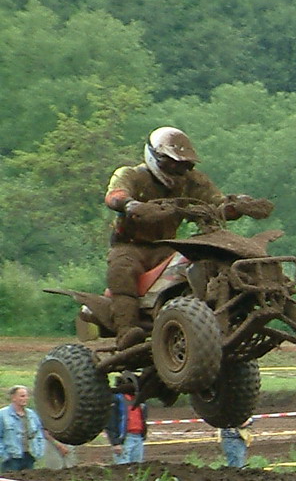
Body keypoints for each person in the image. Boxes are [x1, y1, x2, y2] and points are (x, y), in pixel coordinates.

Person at [102, 127, 254, 348]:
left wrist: (238, 205)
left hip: (168, 246)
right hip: (130, 245)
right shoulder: (131, 175)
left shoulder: (193, 181)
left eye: (184, 165)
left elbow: (217, 204)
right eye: (172, 163)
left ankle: (203, 314)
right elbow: (114, 194)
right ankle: (126, 330)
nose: (178, 169)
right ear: (155, 157)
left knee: (203, 265)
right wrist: (130, 204)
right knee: (122, 272)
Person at [1, 386, 50, 472]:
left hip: (29, 457)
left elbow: (39, 433)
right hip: (12, 458)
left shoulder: (31, 414)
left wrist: (39, 451)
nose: (26, 398)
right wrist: (4, 455)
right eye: (22, 396)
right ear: (13, 398)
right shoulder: (3, 415)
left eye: (27, 396)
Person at [106, 374, 148, 464]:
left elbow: (143, 417)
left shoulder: (139, 400)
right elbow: (111, 422)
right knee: (123, 469)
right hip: (125, 439)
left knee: (137, 469)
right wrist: (115, 442)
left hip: (138, 437)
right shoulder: (117, 399)